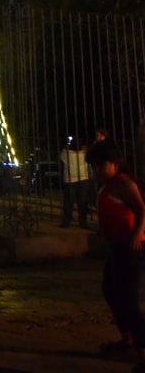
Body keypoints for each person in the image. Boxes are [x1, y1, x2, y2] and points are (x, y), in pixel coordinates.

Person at [86, 138, 145, 370]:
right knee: (110, 290)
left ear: (113, 164)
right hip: (116, 246)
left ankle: (142, 351)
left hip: (131, 248)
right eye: (94, 167)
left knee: (129, 300)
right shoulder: (109, 185)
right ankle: (128, 339)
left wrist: (136, 236)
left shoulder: (123, 184)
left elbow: (142, 210)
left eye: (100, 166)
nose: (96, 171)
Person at [59, 137, 90, 228]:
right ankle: (83, 223)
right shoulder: (85, 154)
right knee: (83, 202)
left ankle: (66, 222)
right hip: (83, 178)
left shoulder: (66, 154)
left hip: (70, 180)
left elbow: (62, 156)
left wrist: (66, 146)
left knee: (68, 202)